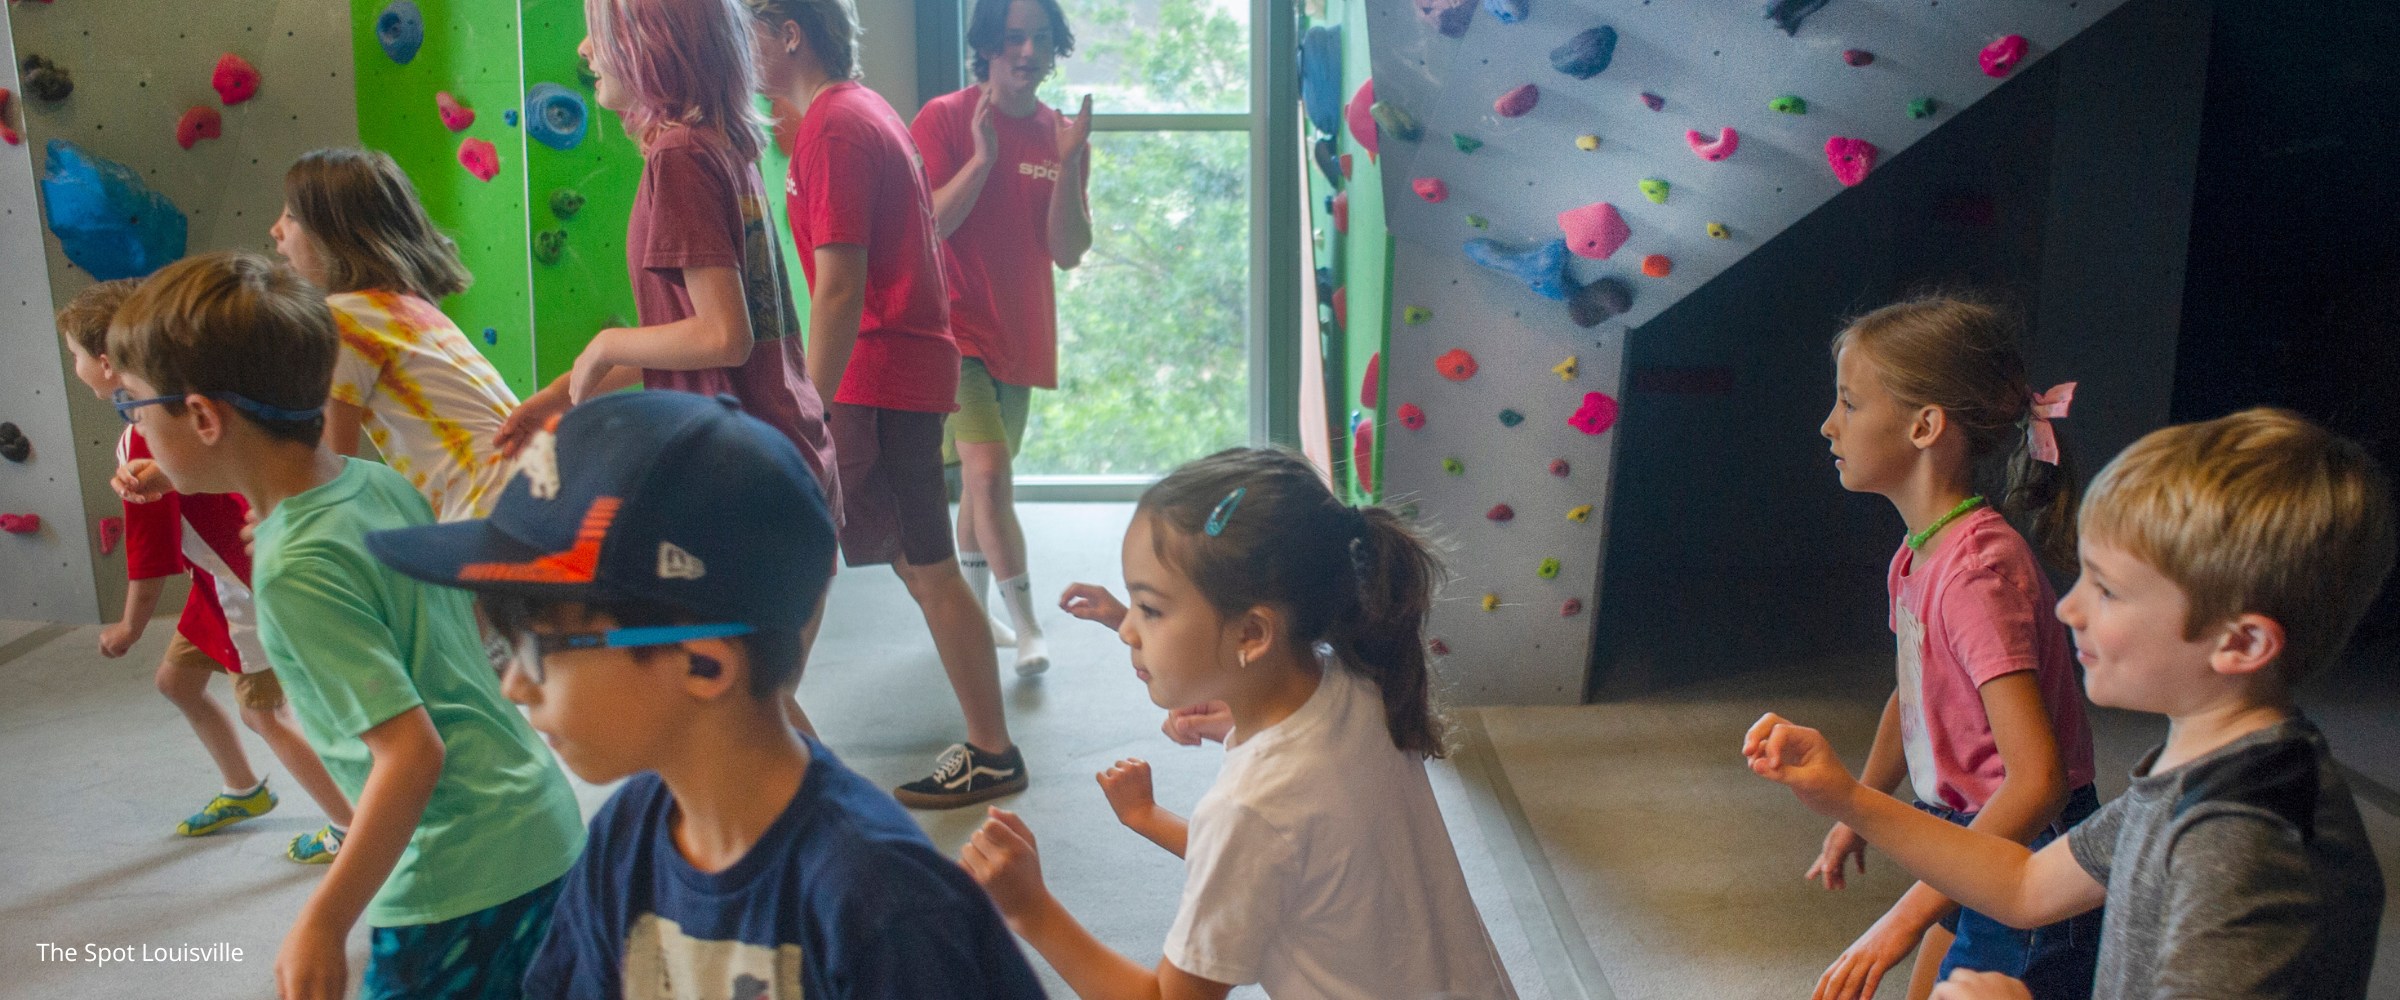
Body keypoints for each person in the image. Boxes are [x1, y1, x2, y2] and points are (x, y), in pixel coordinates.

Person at [365, 390, 1047, 1000]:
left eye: (539, 648)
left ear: (704, 665)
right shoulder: (624, 839)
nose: (513, 684)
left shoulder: (883, 906)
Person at [1747, 407, 2394, 1000]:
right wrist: (1847, 798)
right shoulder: (2194, 775)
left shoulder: (2246, 842)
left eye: (2108, 591)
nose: (2067, 608)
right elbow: (2025, 886)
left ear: (2241, 642)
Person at [106, 252, 585, 1000]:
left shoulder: (295, 565)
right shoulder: (379, 485)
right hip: (533, 822)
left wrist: (323, 921)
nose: (132, 425)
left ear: (202, 416)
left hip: (453, 871)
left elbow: (410, 754)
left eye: (132, 406)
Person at [962, 447, 1520, 1000]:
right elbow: (1276, 864)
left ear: (1253, 635)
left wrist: (1031, 910)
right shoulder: (1358, 679)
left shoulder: (1247, 808)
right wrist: (1148, 817)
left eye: (1150, 610)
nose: (1130, 631)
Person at [497, 0, 842, 733]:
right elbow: (679, 336)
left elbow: (722, 336)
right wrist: (562, 394)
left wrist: (603, 346)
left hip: (746, 473)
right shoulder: (720, 145)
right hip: (783, 453)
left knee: (753, 715)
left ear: (652, 47)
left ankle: (840, 843)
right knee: (761, 707)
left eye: (604, 35)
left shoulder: (680, 158)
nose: (587, 51)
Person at [749, 0, 1028, 808]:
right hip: (889, 374)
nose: (743, 52)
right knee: (896, 563)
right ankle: (790, 745)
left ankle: (791, 753)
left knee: (847, 557)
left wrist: (807, 404)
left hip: (880, 376)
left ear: (789, 33)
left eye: (751, 33)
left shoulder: (836, 127)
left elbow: (839, 288)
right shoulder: (850, 114)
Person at [1805, 297, 2101, 1000]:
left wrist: (1901, 919)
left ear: (1925, 425)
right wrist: (1863, 810)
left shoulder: (1975, 575)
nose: (1829, 424)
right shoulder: (1920, 555)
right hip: (1970, 837)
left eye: (1848, 403)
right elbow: (1913, 693)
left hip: (2026, 848)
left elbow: (2038, 782)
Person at [57, 278, 353, 863]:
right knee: (177, 683)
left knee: (262, 712)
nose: (73, 366)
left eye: (71, 355)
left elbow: (150, 552)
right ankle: (243, 789)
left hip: (244, 590)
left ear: (104, 363)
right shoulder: (177, 420)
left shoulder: (142, 442)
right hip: (214, 586)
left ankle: (349, 823)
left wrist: (129, 627)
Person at [912, 0, 1094, 676]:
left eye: (1040, 40)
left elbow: (1067, 251)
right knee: (989, 475)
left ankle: (974, 618)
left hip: (1022, 332)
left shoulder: (1062, 133)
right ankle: (1028, 627)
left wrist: (1070, 163)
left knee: (976, 486)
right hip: (952, 329)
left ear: (1054, 51)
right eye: (1013, 38)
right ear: (987, 46)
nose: (1027, 52)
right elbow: (924, 225)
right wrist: (983, 160)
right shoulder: (941, 120)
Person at [272, 147, 520, 522]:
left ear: (337, 234)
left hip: (489, 510)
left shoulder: (344, 321)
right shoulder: (409, 307)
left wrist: (275, 517)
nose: (276, 230)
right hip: (527, 492)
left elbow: (330, 477)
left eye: (292, 216)